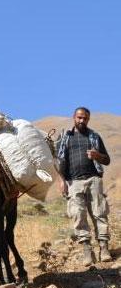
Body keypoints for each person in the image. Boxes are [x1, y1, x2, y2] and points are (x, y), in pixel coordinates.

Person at [56, 107, 112, 265]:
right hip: (74, 182)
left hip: (93, 179)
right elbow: (59, 161)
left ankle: (104, 248)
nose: (82, 121)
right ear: (74, 117)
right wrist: (61, 181)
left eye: (85, 118)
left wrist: (97, 155)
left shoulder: (94, 136)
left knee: (99, 213)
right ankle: (87, 251)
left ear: (88, 119)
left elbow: (106, 160)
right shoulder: (65, 137)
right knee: (78, 216)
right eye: (79, 117)